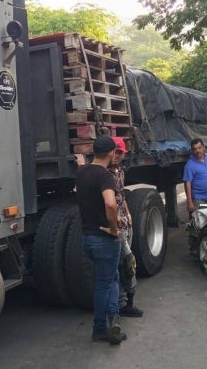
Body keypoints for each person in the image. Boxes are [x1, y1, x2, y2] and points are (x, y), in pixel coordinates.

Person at [75, 135, 126, 344]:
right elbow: (111, 204)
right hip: (104, 238)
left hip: (87, 238)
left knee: (112, 277)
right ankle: (99, 329)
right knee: (104, 284)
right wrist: (114, 228)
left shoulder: (82, 172)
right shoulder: (106, 176)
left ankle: (114, 321)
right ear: (112, 153)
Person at [109, 137, 143, 318]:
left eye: (120, 152)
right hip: (115, 225)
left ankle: (128, 302)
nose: (117, 155)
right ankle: (123, 303)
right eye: (114, 151)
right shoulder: (104, 173)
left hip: (125, 221)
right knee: (128, 262)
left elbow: (121, 196)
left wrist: (128, 213)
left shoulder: (120, 172)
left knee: (126, 264)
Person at [183, 138, 207, 214]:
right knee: (199, 223)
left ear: (204, 147)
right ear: (192, 150)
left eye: (199, 148)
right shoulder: (190, 165)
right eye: (194, 149)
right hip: (198, 200)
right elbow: (187, 183)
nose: (197, 151)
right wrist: (189, 201)